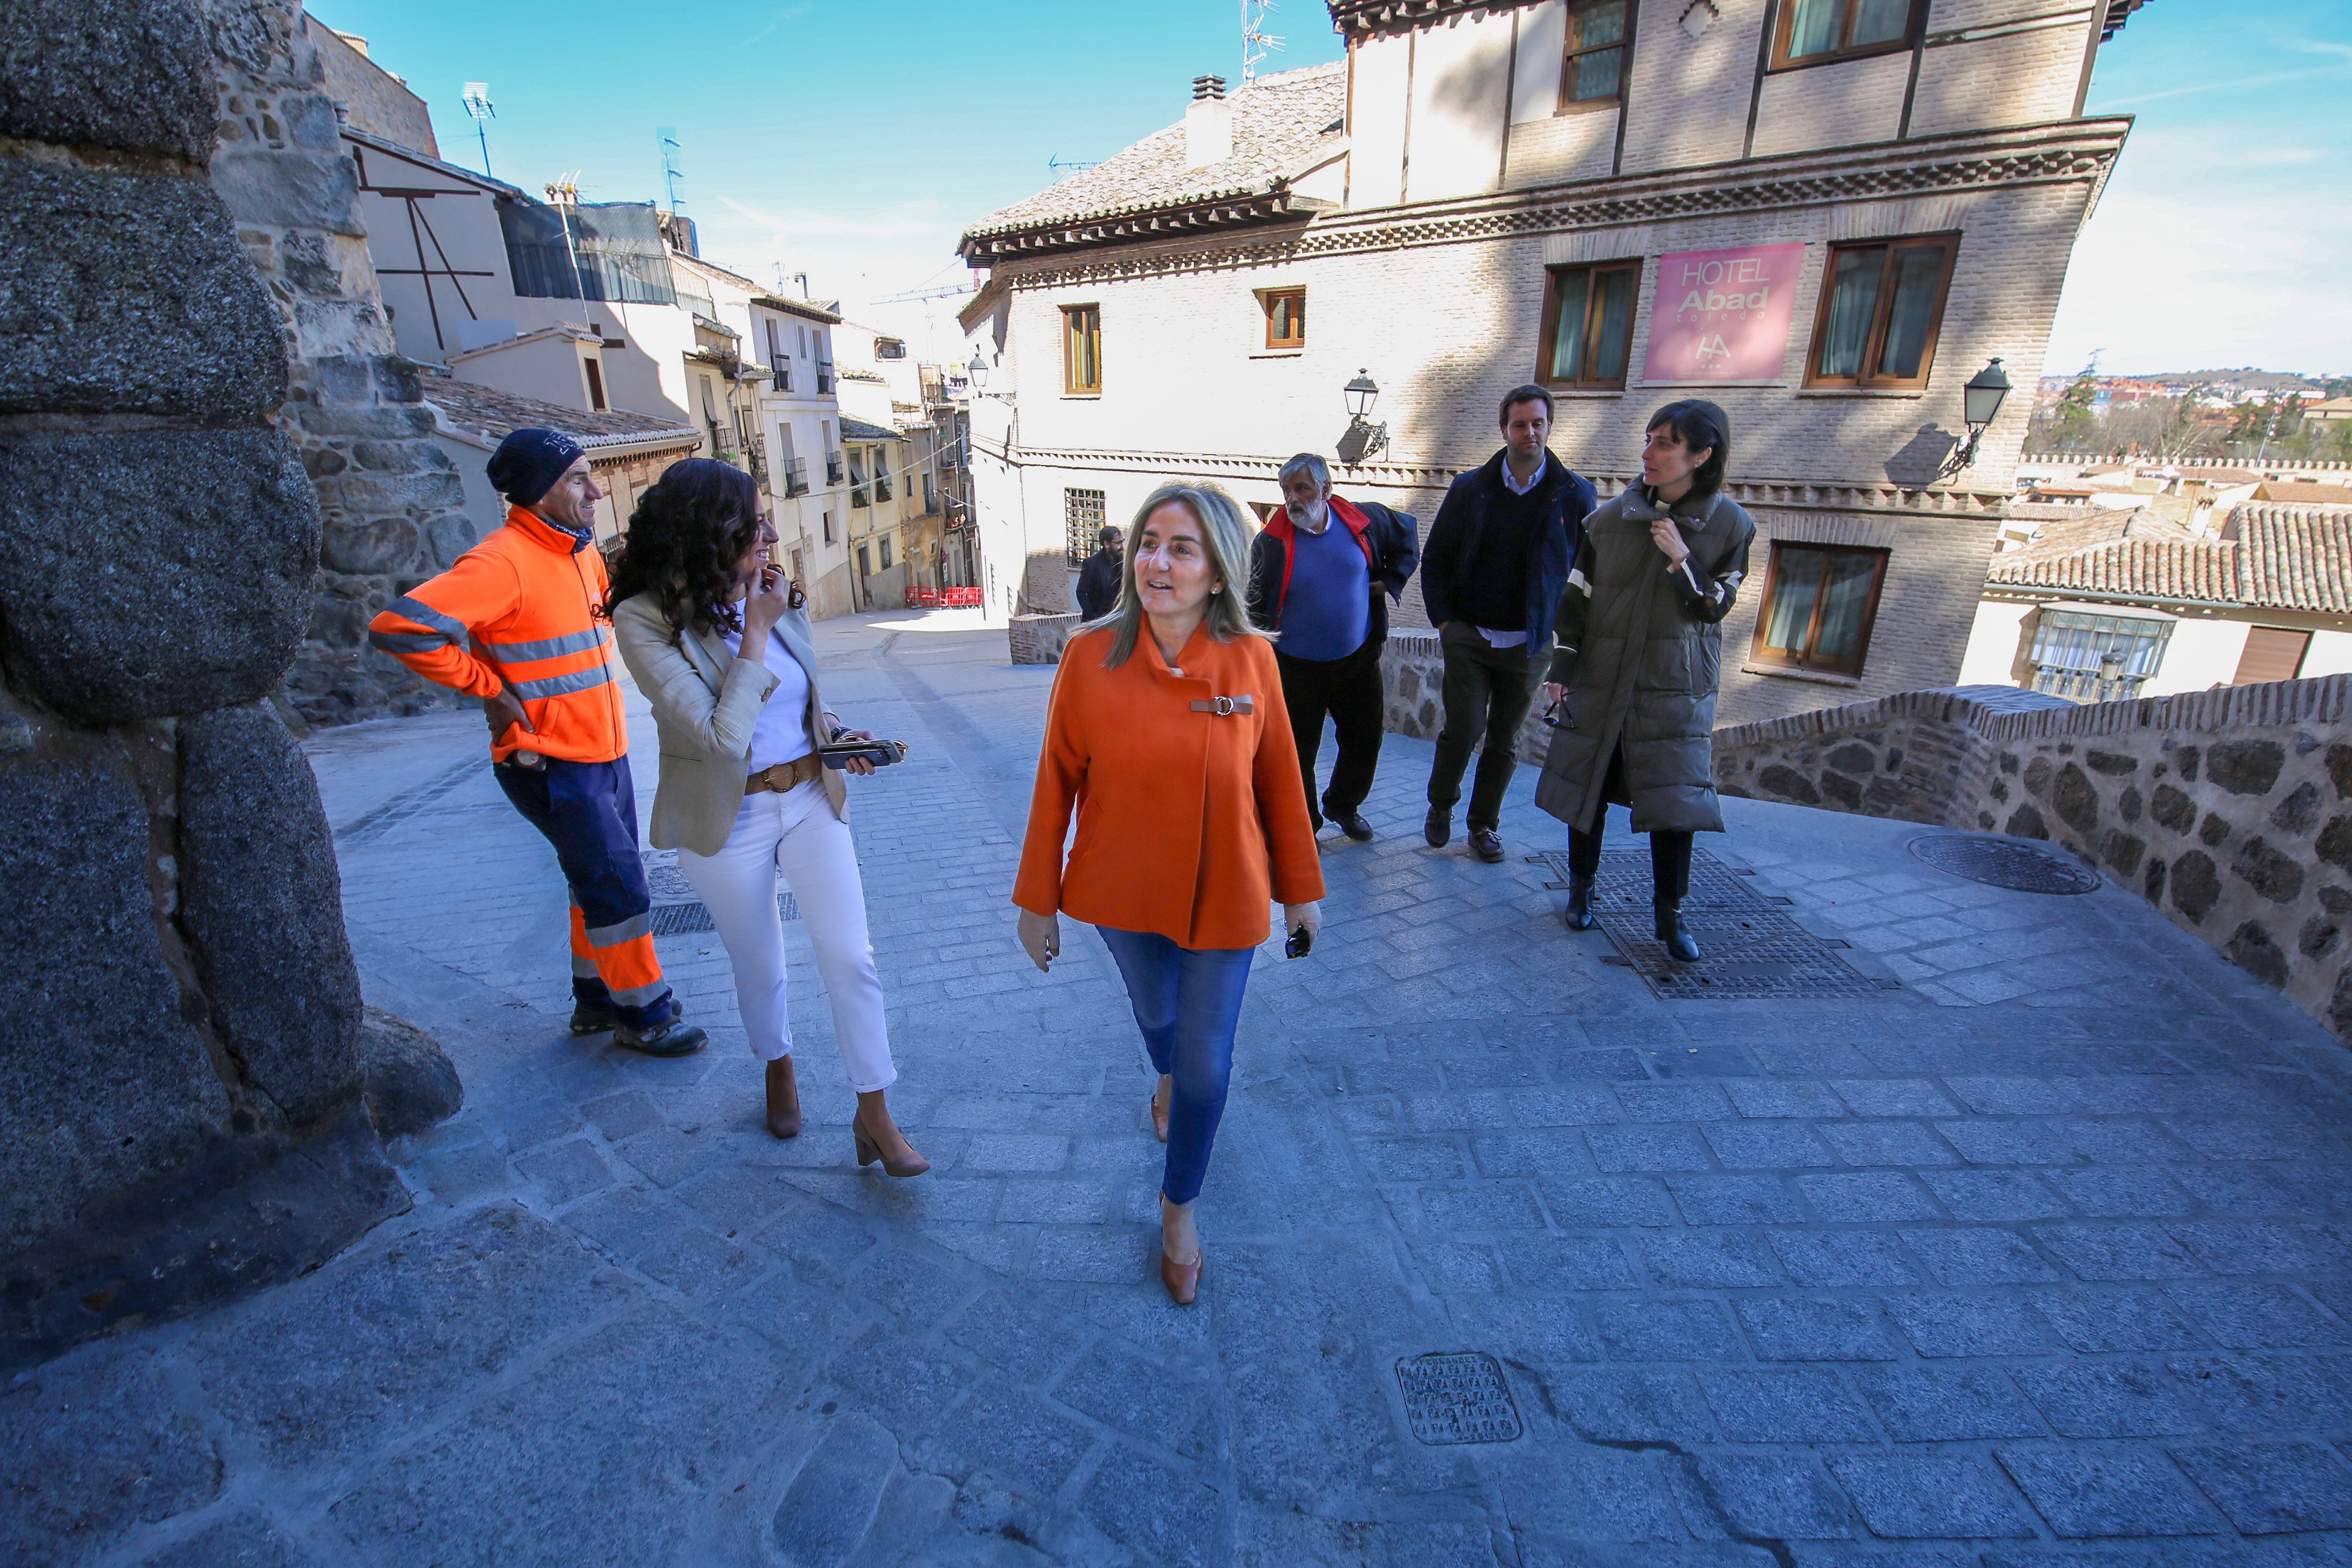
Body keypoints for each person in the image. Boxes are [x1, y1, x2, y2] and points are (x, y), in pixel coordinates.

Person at [1012, 483, 1323, 1304]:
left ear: (1218, 572)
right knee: (1159, 1020)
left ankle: (1178, 1207)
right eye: (1150, 542)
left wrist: (1300, 890)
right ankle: (1164, 1073)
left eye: (1182, 548)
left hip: (1226, 891)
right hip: (1122, 889)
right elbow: (1054, 783)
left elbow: (1280, 779)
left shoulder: (1252, 659)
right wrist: (1036, 899)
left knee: (1207, 1070)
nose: (1156, 560)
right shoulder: (1090, 656)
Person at [606, 459, 927, 1174]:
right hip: (729, 815)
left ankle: (874, 1113)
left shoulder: (773, 589)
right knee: (760, 964)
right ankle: (778, 1062)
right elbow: (721, 737)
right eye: (755, 524)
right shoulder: (645, 621)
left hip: (811, 794)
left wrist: (835, 732)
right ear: (707, 530)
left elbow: (798, 696)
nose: (773, 536)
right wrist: (755, 630)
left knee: (852, 955)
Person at [369, 429, 705, 1057]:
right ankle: (645, 1015)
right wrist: (490, 690)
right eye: (578, 478)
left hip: (602, 752)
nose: (595, 491)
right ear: (539, 491)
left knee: (593, 881)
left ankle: (597, 1000)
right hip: (549, 760)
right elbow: (399, 627)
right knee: (618, 885)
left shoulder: (580, 553)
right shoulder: (501, 562)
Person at [1537, 400, 1754, 962]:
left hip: (1675, 687)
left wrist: (1682, 559)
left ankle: (1670, 915)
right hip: (1603, 677)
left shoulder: (1732, 526)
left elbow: (1716, 606)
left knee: (1674, 802)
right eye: (1649, 439)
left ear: (1701, 456)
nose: (1648, 453)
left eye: (1664, 443)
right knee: (1589, 790)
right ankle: (1581, 890)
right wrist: (1563, 669)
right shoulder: (1607, 521)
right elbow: (1575, 599)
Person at [1417, 385, 1597, 864]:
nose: (1529, 432)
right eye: (1520, 424)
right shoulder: (1469, 489)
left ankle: (1483, 826)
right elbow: (1436, 558)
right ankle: (1441, 804)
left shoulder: (1575, 495)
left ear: (1550, 427)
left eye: (1538, 423)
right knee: (1464, 728)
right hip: (1469, 635)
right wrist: (1445, 622)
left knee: (1505, 739)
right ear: (1504, 430)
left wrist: (1569, 646)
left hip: (1531, 642)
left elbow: (1587, 576)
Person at [1245, 453, 1419, 841]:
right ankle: (1306, 826)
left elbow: (1407, 534)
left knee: (1365, 741)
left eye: (1302, 489)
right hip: (1295, 668)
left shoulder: (1364, 521)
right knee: (1298, 754)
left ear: (1326, 489)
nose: (1292, 499)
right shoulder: (1270, 542)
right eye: (1286, 490)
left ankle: (1344, 805)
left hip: (1358, 659)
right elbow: (1253, 604)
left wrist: (1391, 580)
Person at [1074, 524, 1124, 620]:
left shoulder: (1123, 561)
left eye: (1122, 542)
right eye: (1119, 543)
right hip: (1097, 619)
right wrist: (1094, 618)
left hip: (1117, 618)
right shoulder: (1091, 564)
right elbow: (1081, 593)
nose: (1122, 547)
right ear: (1107, 544)